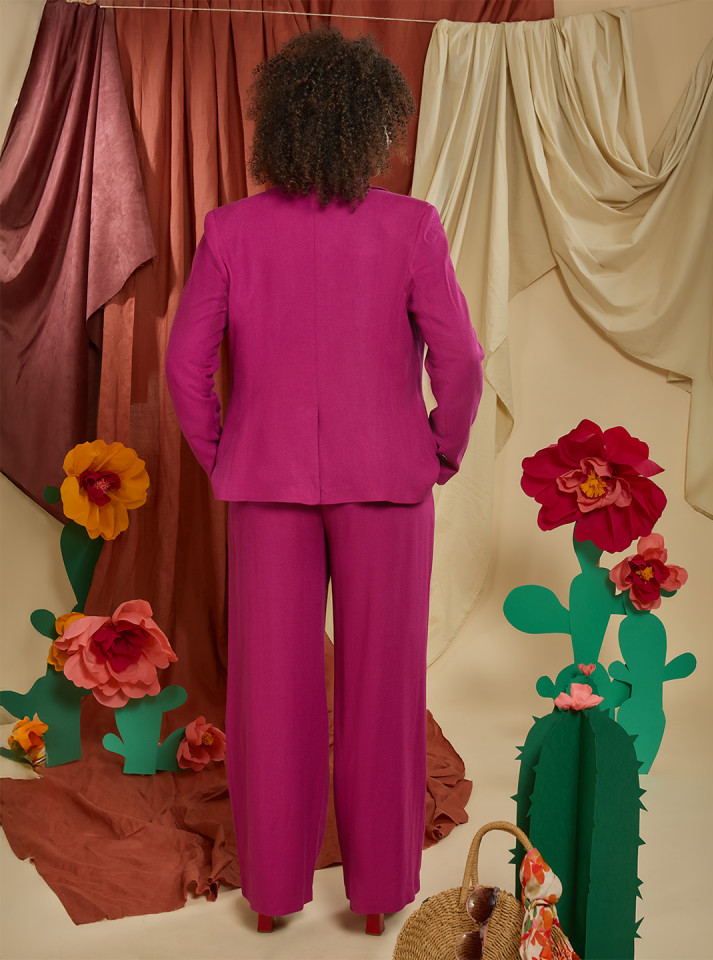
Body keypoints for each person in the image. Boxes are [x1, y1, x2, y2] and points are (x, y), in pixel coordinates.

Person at [165, 28, 483, 936]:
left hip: (265, 486)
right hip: (390, 484)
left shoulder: (231, 228)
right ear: (372, 124)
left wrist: (225, 455)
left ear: (280, 127)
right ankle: (378, 895)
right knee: (385, 689)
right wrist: (439, 451)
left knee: (270, 692)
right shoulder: (411, 225)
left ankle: (273, 894)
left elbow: (185, 367)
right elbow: (460, 360)